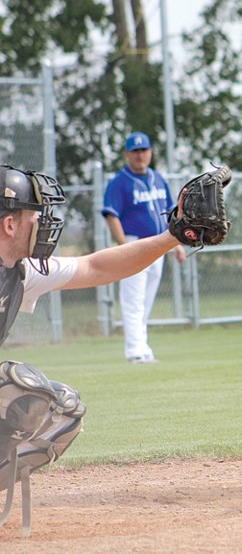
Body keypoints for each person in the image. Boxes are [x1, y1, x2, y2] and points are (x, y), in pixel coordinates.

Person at [0, 163, 192, 535]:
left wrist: (172, 236)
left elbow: (97, 267)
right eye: (34, 215)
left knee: (61, 411)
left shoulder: (20, 270)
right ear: (10, 224)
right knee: (15, 386)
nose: (42, 223)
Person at [102, 132, 185, 363]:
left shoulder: (158, 178)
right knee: (133, 300)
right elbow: (111, 215)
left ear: (150, 152)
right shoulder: (119, 181)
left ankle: (143, 347)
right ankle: (135, 352)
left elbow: (172, 213)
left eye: (144, 150)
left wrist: (176, 244)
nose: (140, 155)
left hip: (158, 244)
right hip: (134, 242)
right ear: (127, 154)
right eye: (135, 151)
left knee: (146, 300)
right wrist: (125, 247)